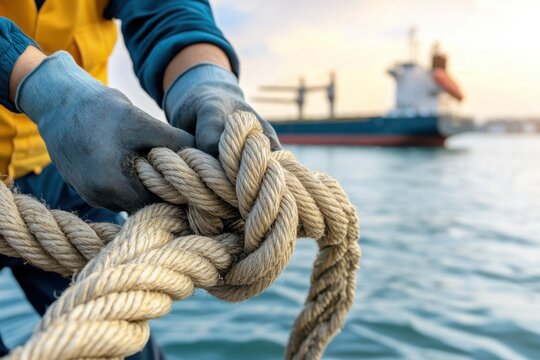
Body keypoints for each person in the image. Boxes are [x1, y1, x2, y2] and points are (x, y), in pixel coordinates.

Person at [0, 1, 280, 358]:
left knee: (123, 343)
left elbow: (165, 6)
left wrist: (205, 79)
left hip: (73, 171)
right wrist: (40, 86)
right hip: (77, 146)